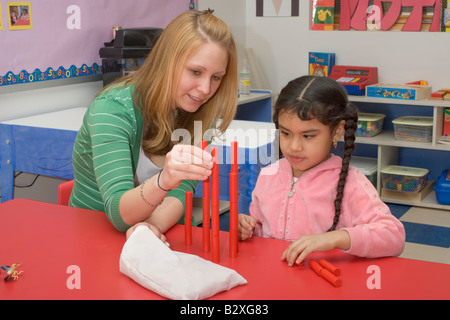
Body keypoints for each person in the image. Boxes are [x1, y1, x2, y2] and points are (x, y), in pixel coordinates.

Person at [69, 9, 238, 241]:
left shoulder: (196, 110)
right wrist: (164, 181)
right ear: (166, 61)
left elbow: (182, 191)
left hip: (154, 236)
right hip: (94, 239)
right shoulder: (112, 109)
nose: (206, 89)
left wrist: (150, 227)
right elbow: (120, 214)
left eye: (216, 77)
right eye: (196, 71)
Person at [238, 75, 405, 266]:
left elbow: (393, 235)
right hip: (275, 279)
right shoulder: (268, 174)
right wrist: (247, 228)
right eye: (285, 133)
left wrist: (335, 238)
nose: (294, 146)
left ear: (337, 131)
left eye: (308, 136)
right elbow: (260, 226)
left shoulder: (352, 182)